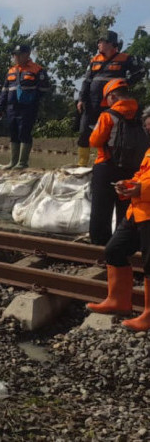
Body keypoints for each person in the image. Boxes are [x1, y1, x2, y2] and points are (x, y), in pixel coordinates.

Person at [87, 107, 150, 331]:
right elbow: (143, 175)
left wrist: (140, 188)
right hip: (138, 211)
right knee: (114, 249)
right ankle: (118, 301)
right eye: (147, 127)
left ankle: (148, 315)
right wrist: (130, 184)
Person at [76, 30, 145, 167]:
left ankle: (106, 160)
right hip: (92, 100)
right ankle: (82, 163)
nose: (98, 44)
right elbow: (87, 81)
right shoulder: (95, 60)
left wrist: (125, 84)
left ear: (110, 43)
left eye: (101, 42)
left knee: (110, 132)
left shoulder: (125, 58)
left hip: (113, 102)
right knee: (85, 130)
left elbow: (140, 72)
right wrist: (81, 99)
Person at [88, 79, 138, 245]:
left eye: (107, 99)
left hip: (106, 166)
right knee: (126, 210)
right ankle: (124, 244)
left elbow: (94, 141)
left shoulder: (108, 116)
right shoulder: (140, 114)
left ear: (113, 96)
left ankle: (100, 245)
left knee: (101, 211)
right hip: (133, 169)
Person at [0, 44, 50, 170]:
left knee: (24, 133)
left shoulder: (37, 70)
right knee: (13, 133)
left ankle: (22, 163)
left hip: (28, 108)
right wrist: (0, 108)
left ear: (27, 54)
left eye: (19, 54)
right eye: (15, 55)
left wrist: (33, 99)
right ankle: (13, 162)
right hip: (11, 108)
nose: (16, 57)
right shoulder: (11, 71)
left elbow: (44, 89)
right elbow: (4, 91)